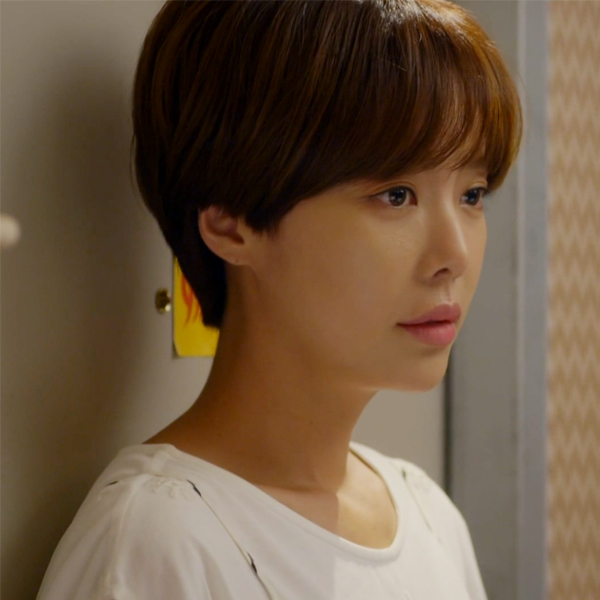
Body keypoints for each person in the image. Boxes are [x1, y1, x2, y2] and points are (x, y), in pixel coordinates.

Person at [36, 0, 522, 598]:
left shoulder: (430, 517)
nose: (455, 254)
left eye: (472, 195)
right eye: (396, 195)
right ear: (232, 221)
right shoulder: (158, 544)